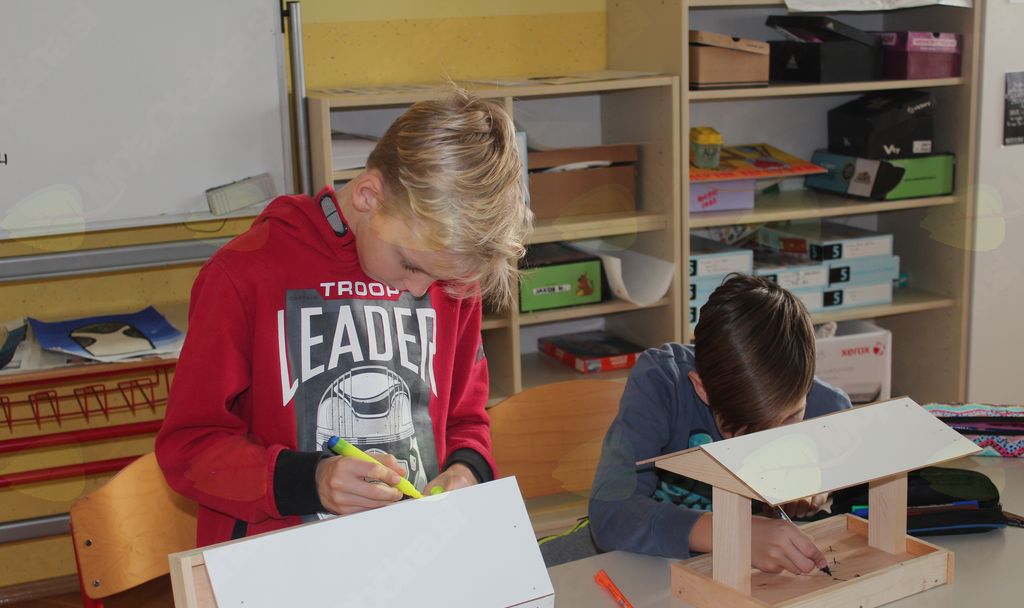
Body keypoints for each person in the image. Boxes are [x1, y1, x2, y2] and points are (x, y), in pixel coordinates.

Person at [156, 88, 531, 547]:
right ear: (369, 195)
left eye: (442, 278)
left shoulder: (449, 276)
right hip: (278, 560)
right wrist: (311, 481)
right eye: (410, 265)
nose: (419, 290)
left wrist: (466, 471)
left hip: (412, 550)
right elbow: (189, 450)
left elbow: (467, 420)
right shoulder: (244, 275)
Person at [588, 273, 851, 574]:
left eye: (792, 417)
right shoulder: (662, 384)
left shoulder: (830, 411)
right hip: (655, 569)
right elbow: (611, 513)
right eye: (751, 429)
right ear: (702, 390)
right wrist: (734, 532)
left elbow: (858, 495)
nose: (772, 442)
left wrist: (825, 484)